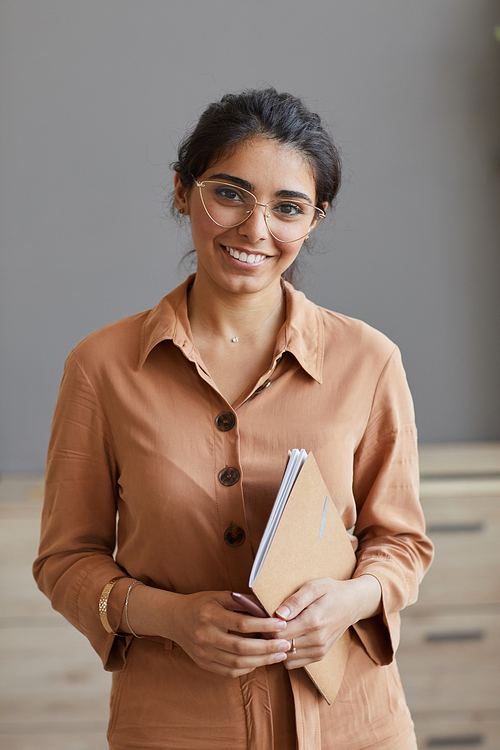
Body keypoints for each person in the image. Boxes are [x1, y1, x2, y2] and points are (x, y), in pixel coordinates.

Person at [34, 88, 433, 750]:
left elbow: (404, 545)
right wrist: (171, 616)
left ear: (314, 220)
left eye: (288, 208)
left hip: (355, 724)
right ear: (183, 192)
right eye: (230, 194)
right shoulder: (100, 368)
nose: (255, 230)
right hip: (173, 725)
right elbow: (65, 560)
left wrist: (351, 600)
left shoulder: (369, 360)